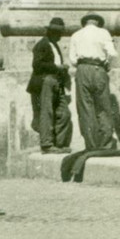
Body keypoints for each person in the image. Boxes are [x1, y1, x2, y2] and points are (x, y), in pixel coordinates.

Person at [69, 12, 118, 151]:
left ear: (85, 22)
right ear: (97, 22)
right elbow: (112, 53)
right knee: (103, 107)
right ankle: (105, 143)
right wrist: (107, 64)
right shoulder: (103, 33)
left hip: (82, 69)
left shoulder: (76, 35)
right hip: (99, 69)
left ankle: (91, 144)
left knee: (85, 108)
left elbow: (72, 59)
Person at [27, 17, 73, 153]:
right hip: (44, 82)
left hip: (55, 82)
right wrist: (57, 67)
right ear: (50, 32)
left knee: (64, 113)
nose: (59, 35)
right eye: (57, 32)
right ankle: (47, 144)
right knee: (46, 112)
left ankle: (59, 143)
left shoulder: (53, 45)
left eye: (60, 33)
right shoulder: (42, 44)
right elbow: (37, 65)